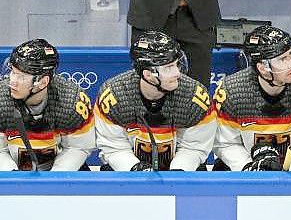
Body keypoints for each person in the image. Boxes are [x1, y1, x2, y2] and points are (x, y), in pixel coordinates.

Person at [212, 25, 291, 171]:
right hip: (246, 167)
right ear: (263, 68)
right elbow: (225, 143)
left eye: (290, 55)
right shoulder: (231, 92)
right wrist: (249, 168)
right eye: (283, 59)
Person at [94, 31, 216, 171]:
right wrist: (135, 168)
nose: (177, 73)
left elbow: (194, 147)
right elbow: (113, 146)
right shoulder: (114, 96)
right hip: (128, 170)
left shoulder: (195, 97)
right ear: (148, 75)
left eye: (177, 64)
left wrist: (178, 172)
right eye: (169, 67)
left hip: (181, 169)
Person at [0, 39, 95, 171]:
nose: (12, 81)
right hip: (11, 170)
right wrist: (13, 176)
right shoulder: (1, 98)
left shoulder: (72, 101)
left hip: (60, 170)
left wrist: (54, 178)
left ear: (43, 82)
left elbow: (77, 147)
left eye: (21, 76)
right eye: (12, 72)